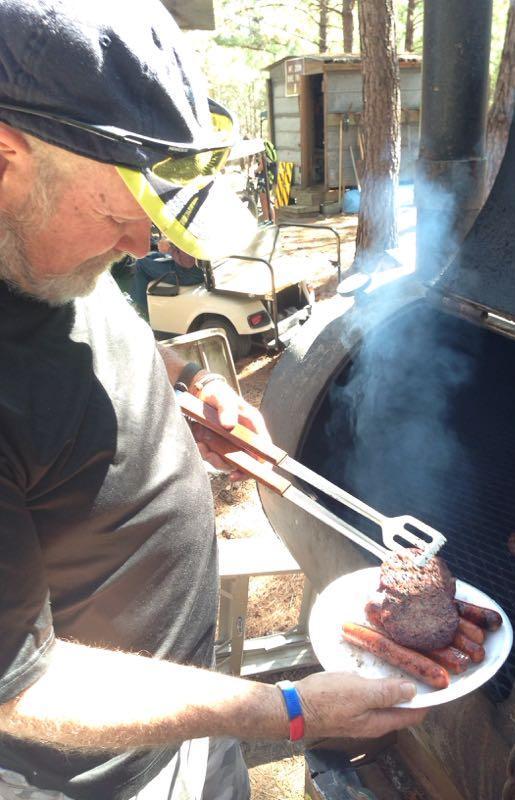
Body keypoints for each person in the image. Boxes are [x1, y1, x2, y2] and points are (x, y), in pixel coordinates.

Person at [0, 2, 426, 799]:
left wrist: (186, 388)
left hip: (192, 721)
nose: (139, 248)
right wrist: (286, 710)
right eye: (121, 218)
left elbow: (83, 344)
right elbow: (23, 687)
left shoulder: (37, 253)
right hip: (100, 777)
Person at [131, 237, 205, 317]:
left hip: (187, 274)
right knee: (152, 256)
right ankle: (153, 303)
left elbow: (188, 262)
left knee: (141, 262)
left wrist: (169, 249)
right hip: (199, 269)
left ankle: (143, 309)